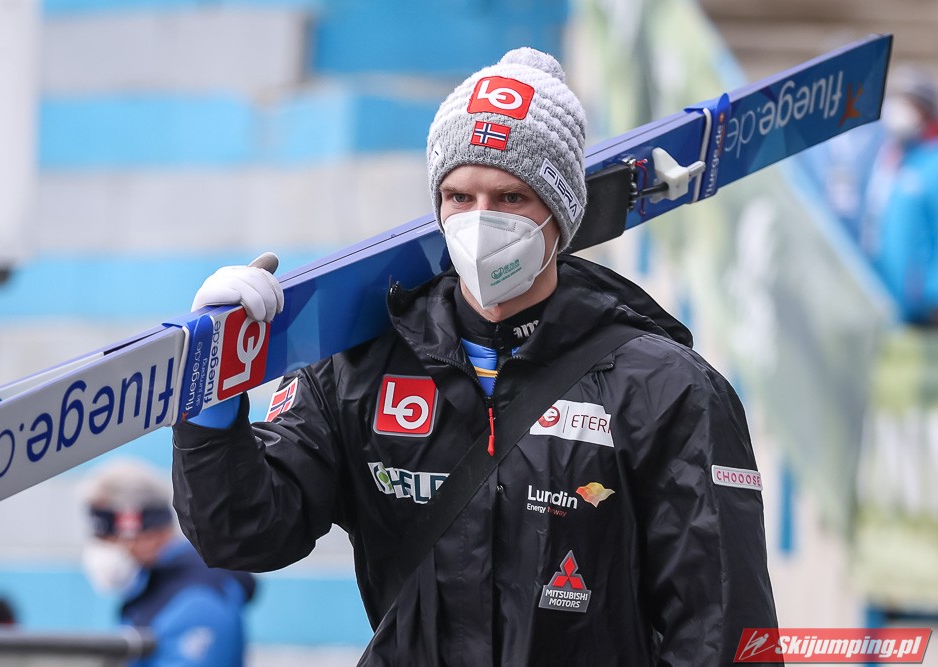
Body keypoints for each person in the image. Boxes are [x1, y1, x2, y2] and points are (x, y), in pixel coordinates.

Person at [173, 48, 778, 665]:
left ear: (561, 211)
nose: (482, 222)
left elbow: (722, 629)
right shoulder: (357, 368)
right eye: (460, 197)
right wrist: (212, 389)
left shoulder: (666, 388)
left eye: (511, 197)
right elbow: (244, 532)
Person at [81, 458, 256, 667]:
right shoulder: (153, 587)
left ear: (145, 532)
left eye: (108, 538)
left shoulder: (198, 597)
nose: (102, 550)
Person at [871, 66, 938, 325]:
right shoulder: (886, 158)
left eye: (909, 102)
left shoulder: (932, 163)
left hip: (924, 310)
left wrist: (932, 295)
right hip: (881, 299)